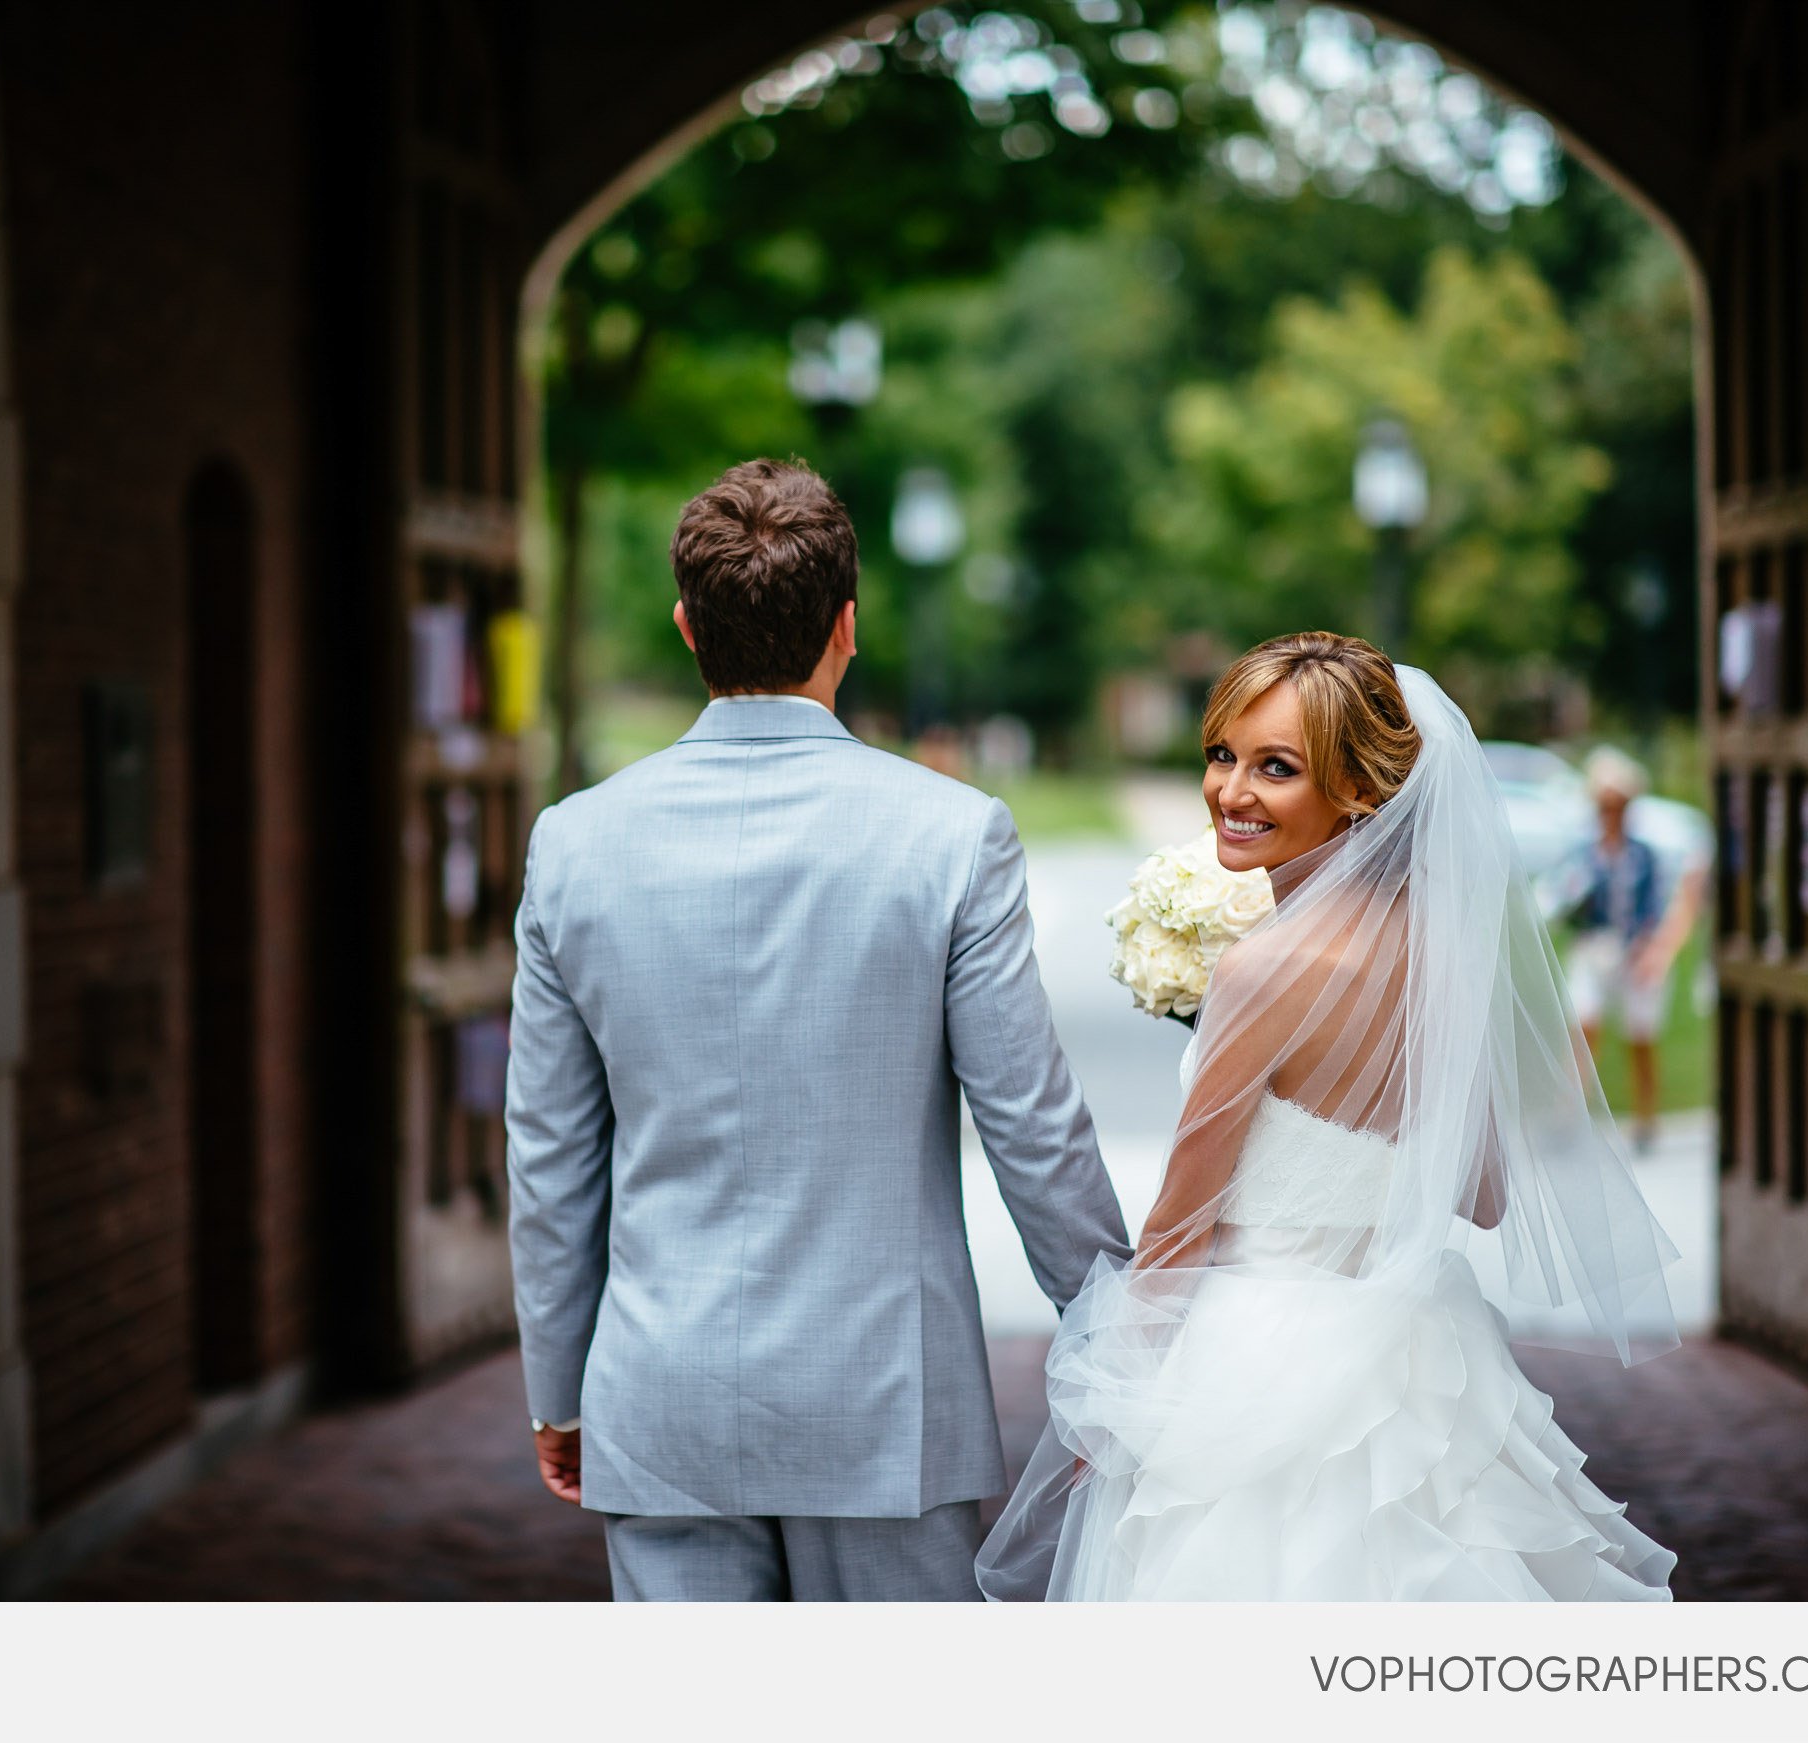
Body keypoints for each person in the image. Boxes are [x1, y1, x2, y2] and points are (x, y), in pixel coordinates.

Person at [505, 457, 1127, 1602]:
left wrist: (561, 1386)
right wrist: (1125, 1336)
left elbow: (550, 1155)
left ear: (688, 628)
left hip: (661, 1397)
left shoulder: (573, 844)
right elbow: (1033, 1127)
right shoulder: (951, 834)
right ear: (848, 627)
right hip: (888, 1402)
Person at [978, 631, 1680, 1601]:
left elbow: (1180, 1231)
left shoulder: (1263, 971)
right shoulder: (1443, 955)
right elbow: (1480, 1195)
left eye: (1277, 768)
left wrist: (1119, 1414)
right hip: (1414, 1354)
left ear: (1356, 789)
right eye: (1222, 754)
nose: (1231, 791)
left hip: (1252, 1360)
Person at [1550, 747, 1684, 1148]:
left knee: (1641, 1036)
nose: (1611, 813)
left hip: (1632, 951)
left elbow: (1656, 907)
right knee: (1583, 1028)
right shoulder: (1583, 855)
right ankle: (1569, 1116)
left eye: (1617, 806)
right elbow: (1563, 902)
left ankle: (1646, 1117)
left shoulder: (1644, 856)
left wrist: (1648, 949)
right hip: (1595, 948)